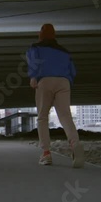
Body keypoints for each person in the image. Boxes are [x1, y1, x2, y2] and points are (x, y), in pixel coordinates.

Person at [26, 23, 84, 168]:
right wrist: (67, 80)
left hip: (45, 81)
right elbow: (73, 70)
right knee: (65, 116)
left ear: (41, 34)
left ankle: (46, 154)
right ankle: (75, 144)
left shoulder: (36, 47)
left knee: (42, 117)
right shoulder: (64, 51)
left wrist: (33, 77)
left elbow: (33, 62)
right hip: (64, 82)